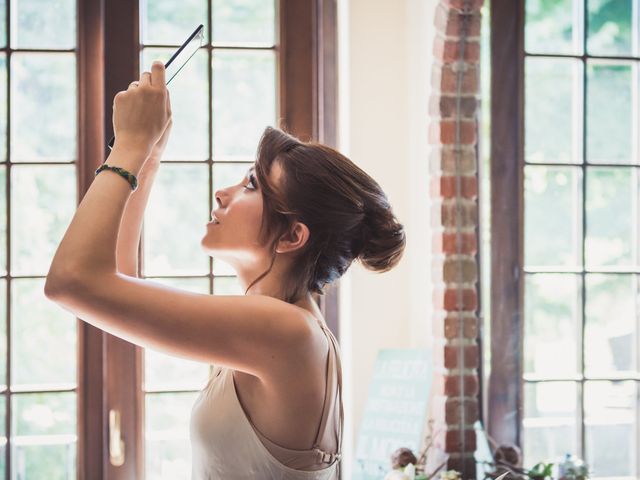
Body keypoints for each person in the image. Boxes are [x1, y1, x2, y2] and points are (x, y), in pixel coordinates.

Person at [44, 62, 406, 479]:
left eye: (251, 185)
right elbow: (116, 282)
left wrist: (129, 144)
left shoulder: (286, 331)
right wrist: (149, 155)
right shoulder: (273, 326)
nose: (223, 192)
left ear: (292, 236)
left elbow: (73, 282)